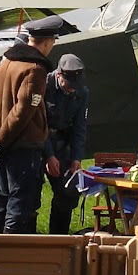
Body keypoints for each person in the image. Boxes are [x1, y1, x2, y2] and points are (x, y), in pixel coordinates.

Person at [0, 15, 70, 234]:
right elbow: (24, 110)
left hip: (4, 144)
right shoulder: (35, 69)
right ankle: (12, 247)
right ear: (48, 42)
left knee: (1, 199)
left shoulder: (6, 63)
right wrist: (1, 138)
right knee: (19, 203)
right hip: (23, 146)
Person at [44, 53, 90, 232]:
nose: (72, 89)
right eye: (69, 85)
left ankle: (58, 238)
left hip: (62, 144)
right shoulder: (44, 86)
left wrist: (76, 158)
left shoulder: (82, 92)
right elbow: (39, 125)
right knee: (29, 196)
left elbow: (80, 127)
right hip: (39, 142)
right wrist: (49, 156)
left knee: (69, 192)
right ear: (58, 75)